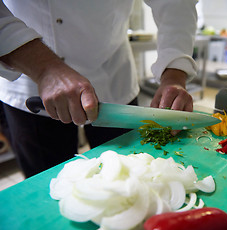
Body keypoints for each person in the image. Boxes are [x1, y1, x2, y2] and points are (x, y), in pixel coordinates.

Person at [0, 0, 198, 178]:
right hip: (30, 83)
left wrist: (175, 73)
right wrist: (44, 68)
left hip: (114, 79)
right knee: (46, 184)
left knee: (131, 175)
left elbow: (175, 3)